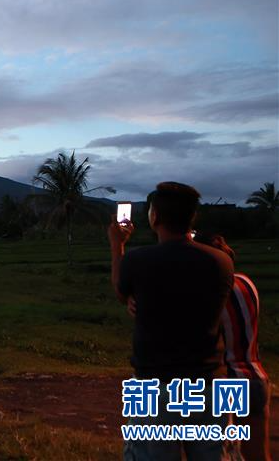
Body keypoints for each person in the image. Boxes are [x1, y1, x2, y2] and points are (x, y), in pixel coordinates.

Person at [109, 182, 234, 460]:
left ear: (154, 217)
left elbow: (120, 290)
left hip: (154, 382)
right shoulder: (221, 261)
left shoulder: (138, 260)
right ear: (192, 218)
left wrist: (117, 245)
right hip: (211, 380)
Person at [195, 233, 271, 461]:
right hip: (256, 377)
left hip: (225, 383)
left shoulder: (211, 293)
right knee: (258, 455)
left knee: (220, 453)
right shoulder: (247, 282)